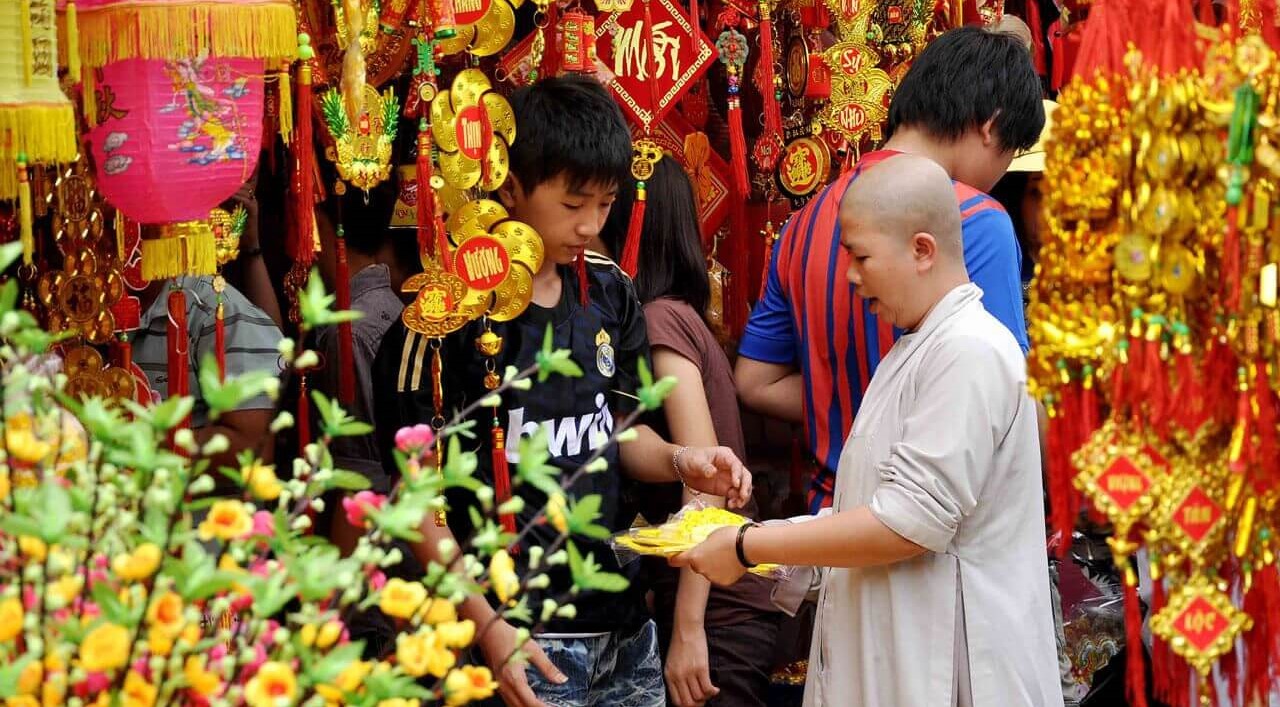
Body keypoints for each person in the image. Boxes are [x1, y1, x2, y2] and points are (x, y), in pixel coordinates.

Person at [371, 75, 753, 707]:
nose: (590, 224)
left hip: (623, 625)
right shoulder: (445, 315)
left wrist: (684, 461)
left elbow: (620, 431)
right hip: (516, 632)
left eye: (604, 205)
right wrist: (489, 629)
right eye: (573, 203)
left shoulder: (609, 291)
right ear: (513, 185)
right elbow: (417, 499)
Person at [673, 154, 1063, 706]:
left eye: (860, 256)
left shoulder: (969, 350)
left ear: (922, 250)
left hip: (952, 673)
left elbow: (908, 524)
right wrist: (755, 545)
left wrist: (746, 545)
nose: (851, 276)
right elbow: (875, 503)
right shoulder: (917, 346)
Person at [735, 25, 1046, 513]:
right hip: (932, 530)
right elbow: (1008, 397)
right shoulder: (974, 220)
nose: (1002, 173)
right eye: (1010, 154)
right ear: (991, 125)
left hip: (830, 525)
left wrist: (839, 402)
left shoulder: (802, 224)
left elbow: (755, 382)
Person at [599, 155, 780, 707]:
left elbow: (702, 482)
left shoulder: (658, 321)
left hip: (715, 610)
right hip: (718, 599)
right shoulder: (680, 316)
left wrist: (687, 631)